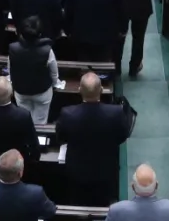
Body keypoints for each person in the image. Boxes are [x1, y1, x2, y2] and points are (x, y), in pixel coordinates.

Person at [55, 71, 129, 205]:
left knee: (77, 201)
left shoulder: (67, 114)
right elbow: (123, 136)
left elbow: (61, 137)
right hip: (105, 170)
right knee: (103, 202)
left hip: (77, 170)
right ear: (101, 90)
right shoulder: (116, 113)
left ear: (79, 90)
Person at [0, 77, 39, 181]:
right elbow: (32, 141)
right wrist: (35, 158)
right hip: (16, 162)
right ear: (11, 93)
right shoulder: (23, 115)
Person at [8, 16, 59, 125]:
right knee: (40, 121)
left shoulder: (13, 48)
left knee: (24, 120)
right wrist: (55, 84)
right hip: (42, 91)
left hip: (21, 91)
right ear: (40, 34)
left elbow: (10, 69)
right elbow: (54, 72)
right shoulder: (47, 50)